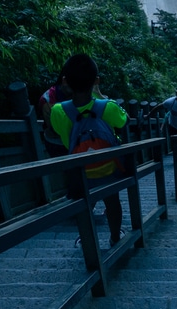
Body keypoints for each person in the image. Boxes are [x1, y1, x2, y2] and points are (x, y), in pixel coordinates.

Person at [48, 54, 127, 247]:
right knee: (112, 202)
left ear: (65, 81)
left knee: (84, 204)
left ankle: (86, 240)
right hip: (108, 168)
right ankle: (115, 237)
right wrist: (100, 96)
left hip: (79, 170)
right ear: (96, 81)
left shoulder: (58, 110)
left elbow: (57, 133)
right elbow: (123, 121)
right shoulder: (108, 107)